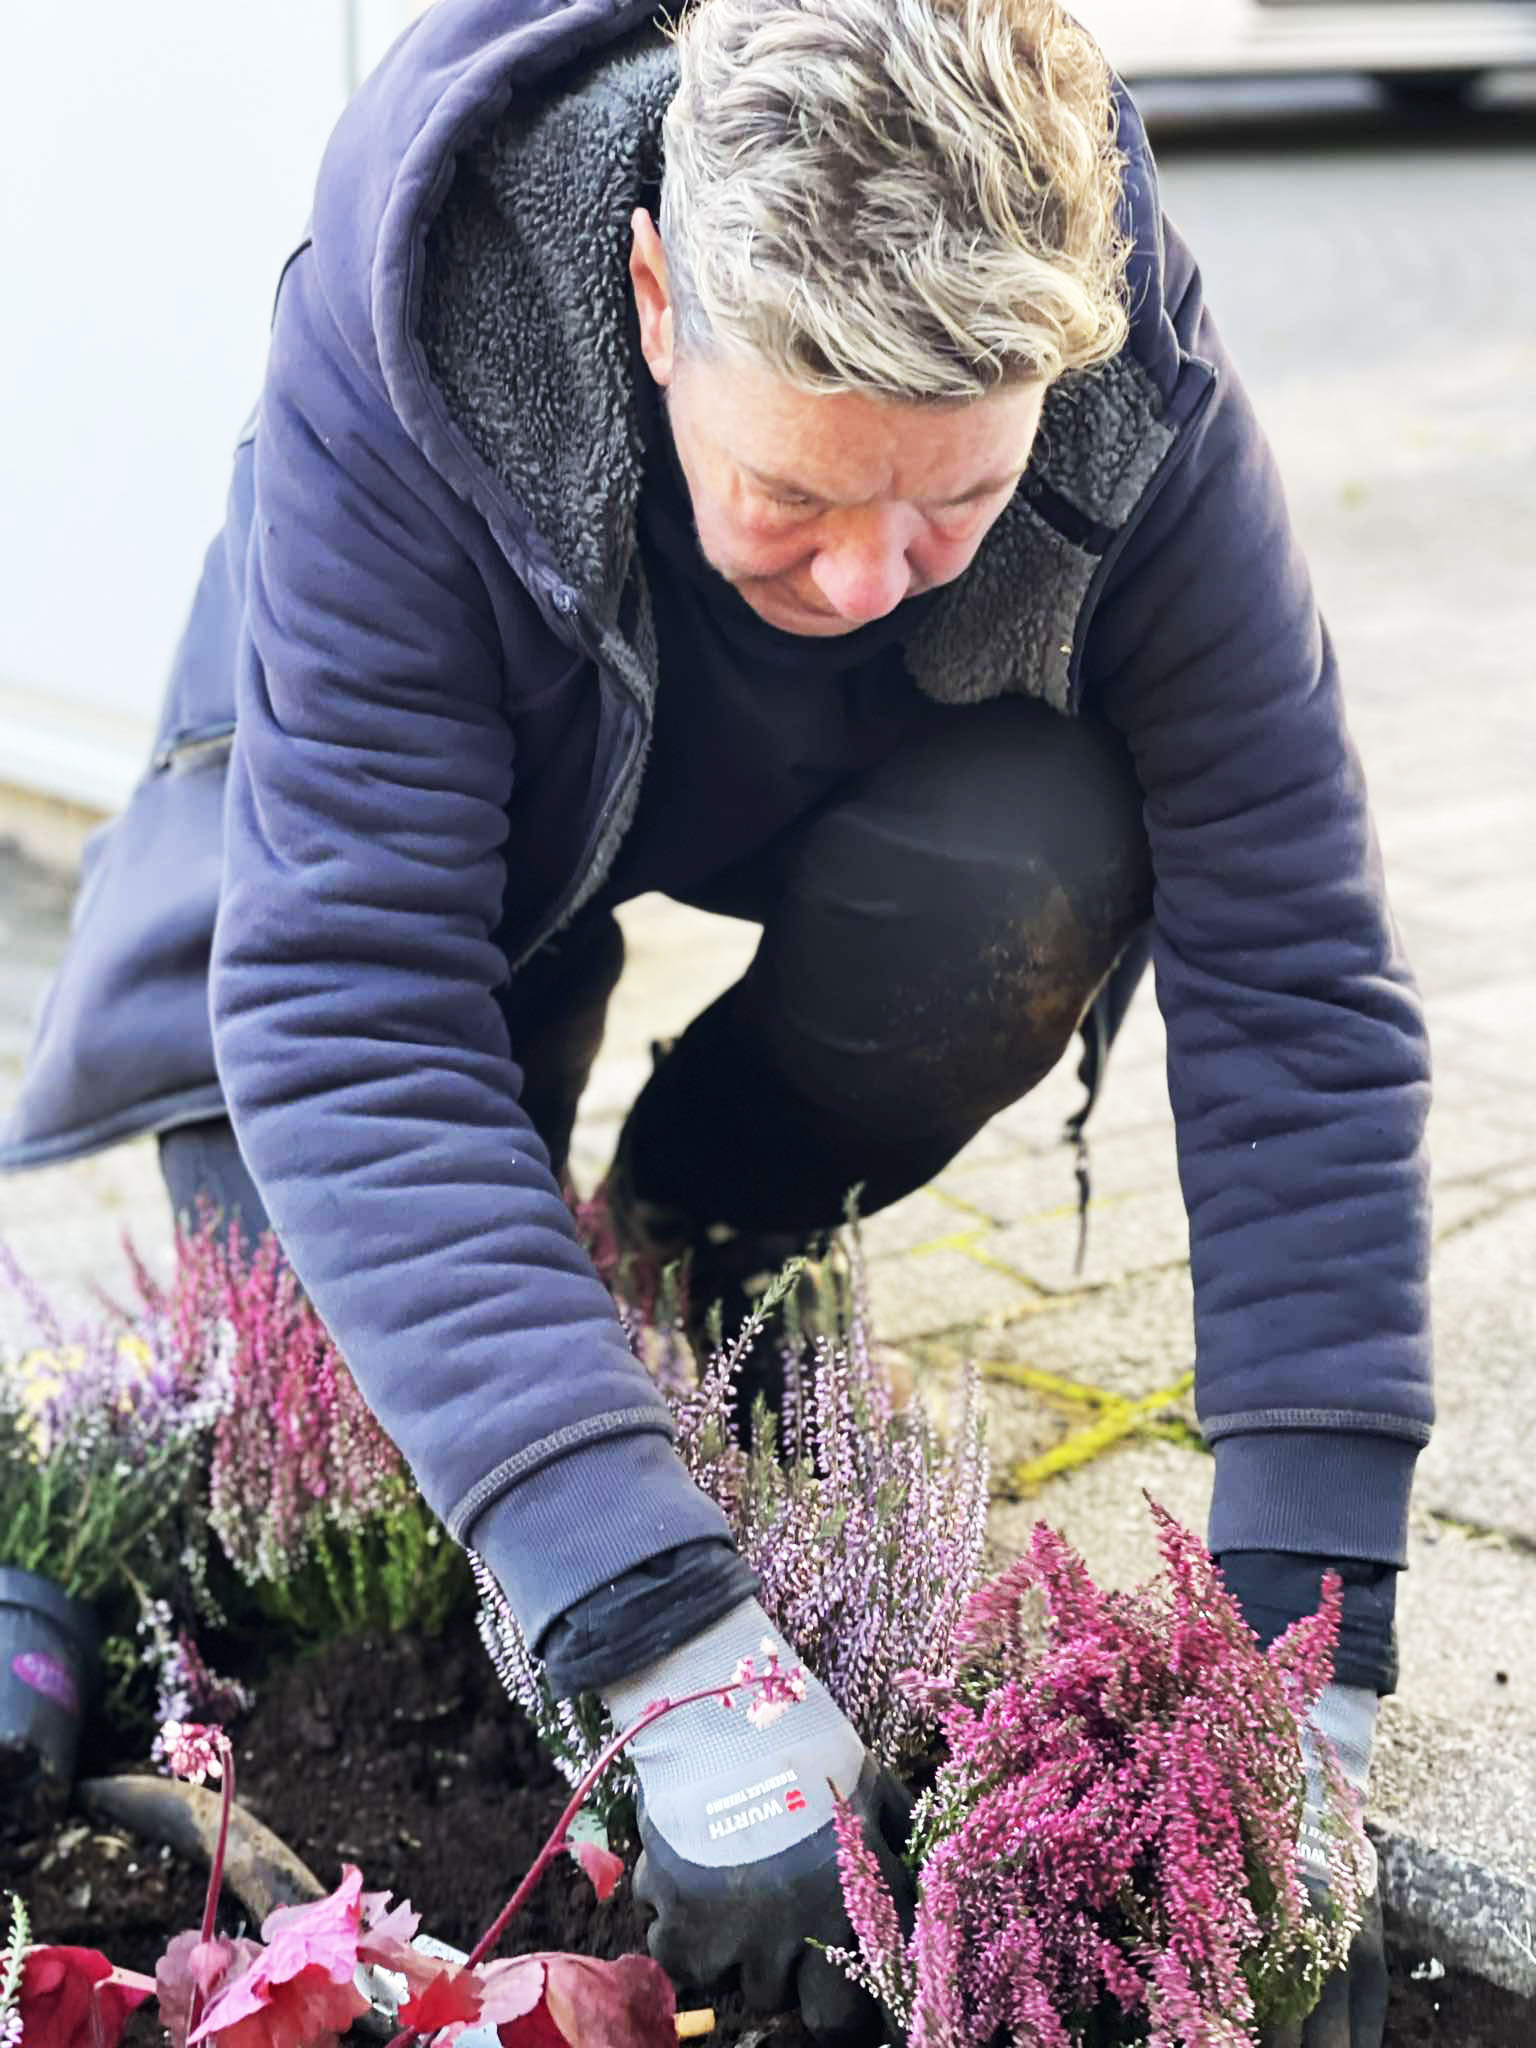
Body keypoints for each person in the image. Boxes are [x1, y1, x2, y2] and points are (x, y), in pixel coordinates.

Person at [1, 1, 1430, 2040]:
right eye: (801, 499)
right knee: (314, 1411)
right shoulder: (430, 307)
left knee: (1034, 860)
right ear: (661, 294)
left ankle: (703, 1221)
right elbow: (343, 1010)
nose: (869, 573)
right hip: (418, 822)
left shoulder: (1124, 360)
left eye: (950, 503)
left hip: (841, 780)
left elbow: (1296, 972)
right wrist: (669, 1648)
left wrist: (1323, 1652)